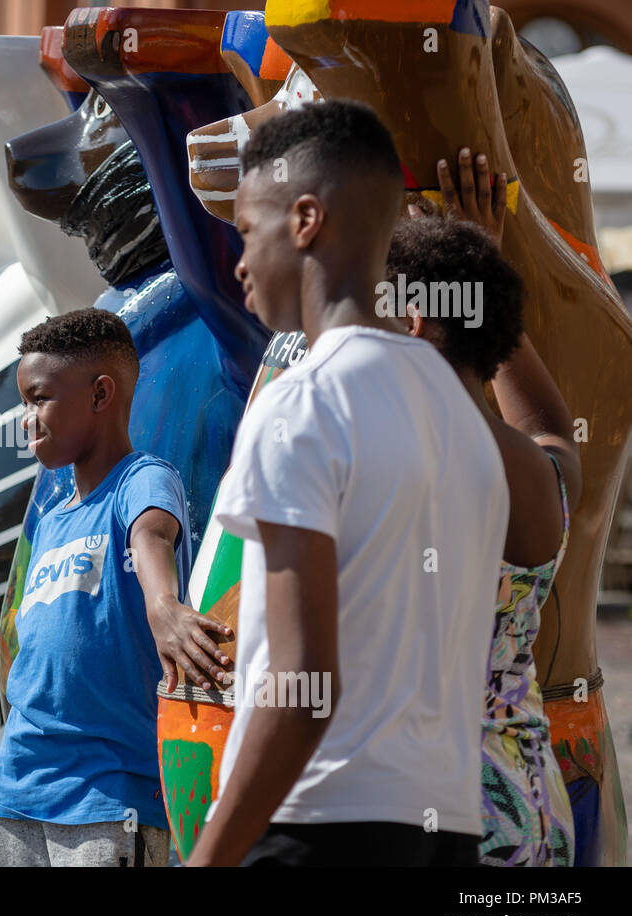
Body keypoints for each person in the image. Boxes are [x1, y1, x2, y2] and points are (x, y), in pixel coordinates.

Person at [186, 100, 508, 866]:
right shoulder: (461, 413)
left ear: (305, 220)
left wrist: (208, 858)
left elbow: (301, 690)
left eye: (246, 232)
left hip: (315, 823)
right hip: (450, 827)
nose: (237, 263)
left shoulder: (303, 401)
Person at [393, 148, 579, 865]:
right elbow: (550, 428)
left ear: (410, 326)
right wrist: (479, 273)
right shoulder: (535, 472)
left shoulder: (387, 463)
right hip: (528, 809)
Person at [0, 307, 220, 866]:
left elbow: (153, 535)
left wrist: (163, 604)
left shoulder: (140, 480)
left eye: (39, 398)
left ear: (100, 395)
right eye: (24, 402)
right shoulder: (50, 517)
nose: (28, 419)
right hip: (17, 786)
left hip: (108, 795)